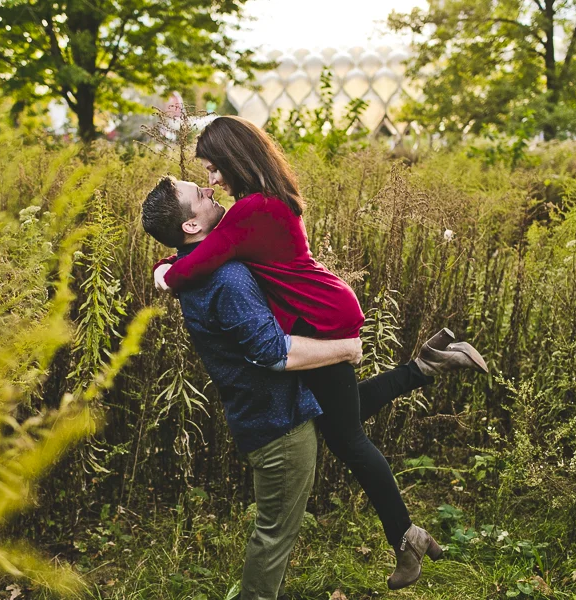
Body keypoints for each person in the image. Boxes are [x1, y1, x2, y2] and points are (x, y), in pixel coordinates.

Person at [149, 117, 488, 591]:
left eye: (212, 169)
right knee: (336, 415)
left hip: (316, 317)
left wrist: (164, 273)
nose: (212, 181)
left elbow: (197, 262)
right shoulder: (263, 201)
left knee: (347, 439)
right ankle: (428, 364)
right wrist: (169, 259)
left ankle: (406, 539)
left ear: (233, 159)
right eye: (206, 176)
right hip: (317, 307)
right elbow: (205, 252)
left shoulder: (250, 210)